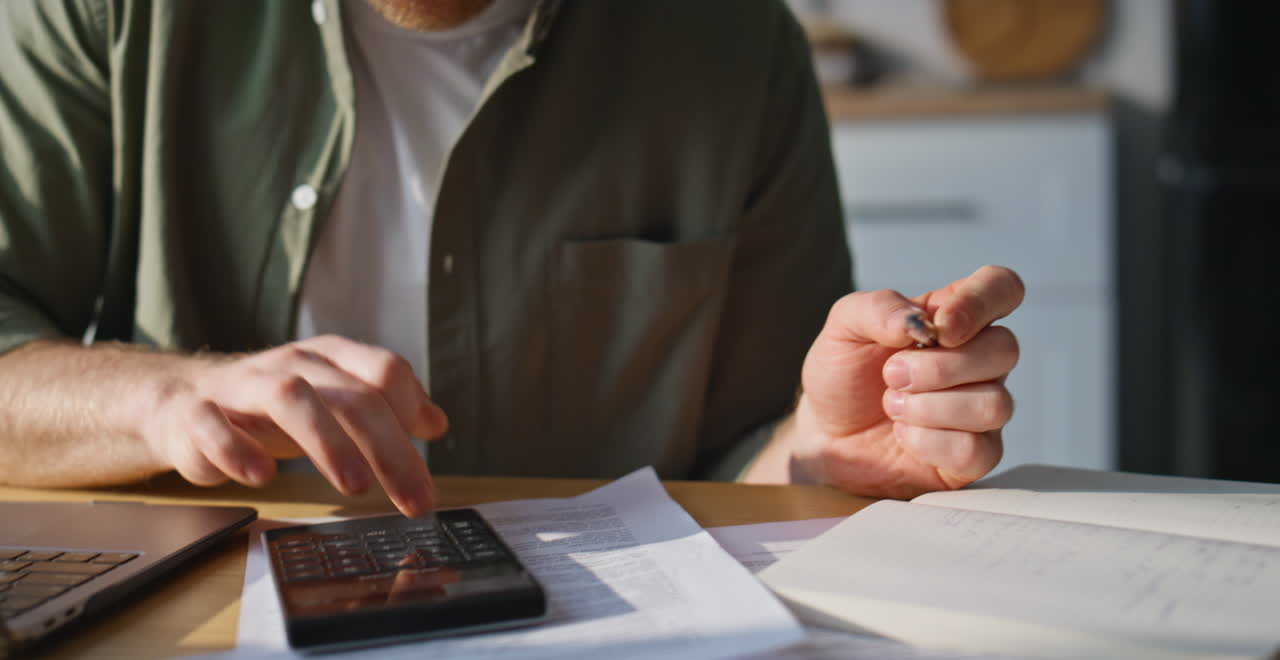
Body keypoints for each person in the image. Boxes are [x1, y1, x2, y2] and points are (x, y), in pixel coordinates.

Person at [0, 0, 1022, 517]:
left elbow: (743, 468)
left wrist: (816, 452)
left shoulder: (731, 42)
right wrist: (165, 395)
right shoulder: (106, 15)